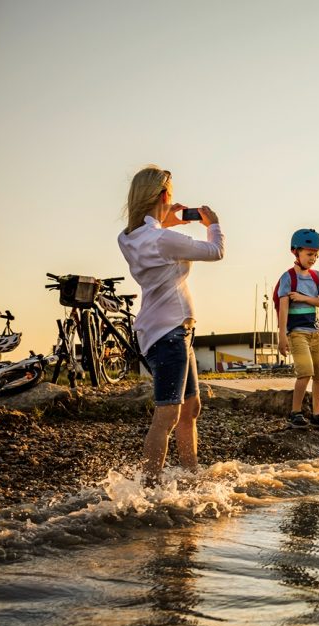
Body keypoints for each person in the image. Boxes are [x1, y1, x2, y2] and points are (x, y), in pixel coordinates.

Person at [117, 166, 224, 485]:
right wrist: (213, 223)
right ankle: (150, 489)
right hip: (170, 333)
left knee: (191, 408)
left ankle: (191, 476)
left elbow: (148, 236)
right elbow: (215, 251)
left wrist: (164, 218)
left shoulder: (128, 238)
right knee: (168, 415)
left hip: (170, 331)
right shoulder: (163, 239)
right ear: (165, 195)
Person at [277, 228, 319, 429]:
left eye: (316, 254)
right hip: (297, 332)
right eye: (309, 254)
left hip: (315, 334)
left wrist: (302, 298)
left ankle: (318, 413)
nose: (313, 258)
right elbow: (283, 308)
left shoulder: (317, 277)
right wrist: (282, 336)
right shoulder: (288, 277)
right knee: (305, 372)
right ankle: (295, 412)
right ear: (295, 252)